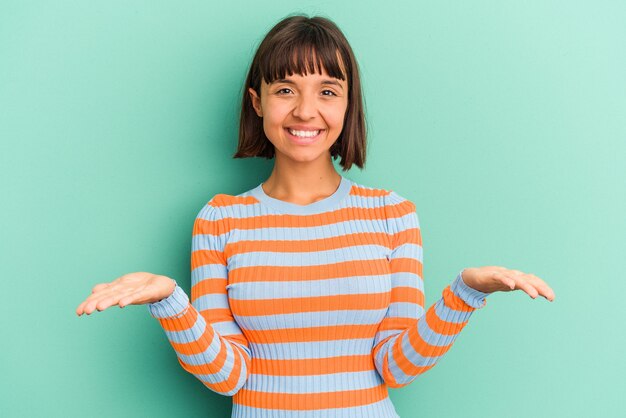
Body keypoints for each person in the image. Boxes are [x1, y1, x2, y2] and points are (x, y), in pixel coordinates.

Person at [75, 14, 555, 418]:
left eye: (328, 91)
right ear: (257, 101)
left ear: (348, 105)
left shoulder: (393, 215)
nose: (306, 111)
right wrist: (171, 303)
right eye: (286, 89)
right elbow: (229, 376)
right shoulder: (219, 221)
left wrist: (465, 293)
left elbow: (396, 367)